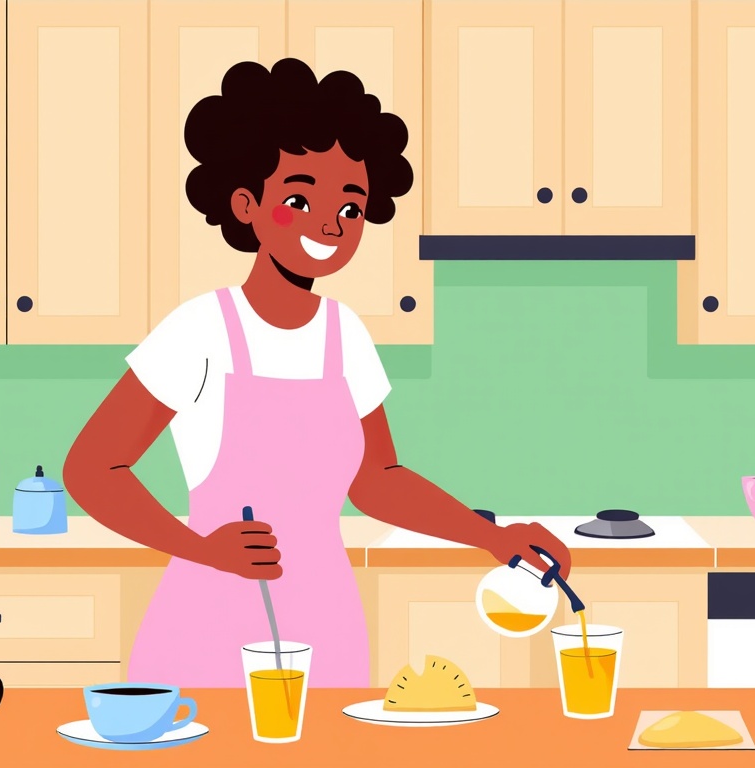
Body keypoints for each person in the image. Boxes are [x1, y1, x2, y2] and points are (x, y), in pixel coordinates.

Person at [63, 58, 572, 688]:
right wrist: (203, 550)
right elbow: (91, 468)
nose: (330, 223)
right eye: (300, 198)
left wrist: (490, 536)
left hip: (324, 623)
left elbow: (378, 479)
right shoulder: (200, 330)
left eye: (351, 206)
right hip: (210, 619)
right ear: (246, 204)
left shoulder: (345, 334)